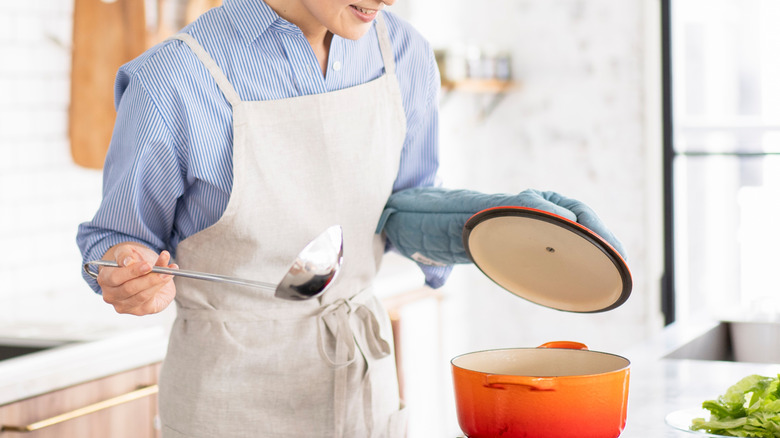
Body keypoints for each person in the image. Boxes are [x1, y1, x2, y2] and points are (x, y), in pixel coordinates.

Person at [77, 1, 625, 437]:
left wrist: (499, 223)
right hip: (229, 400)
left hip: (365, 390)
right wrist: (125, 268)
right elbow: (117, 239)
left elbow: (401, 207)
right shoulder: (175, 78)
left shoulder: (401, 51)